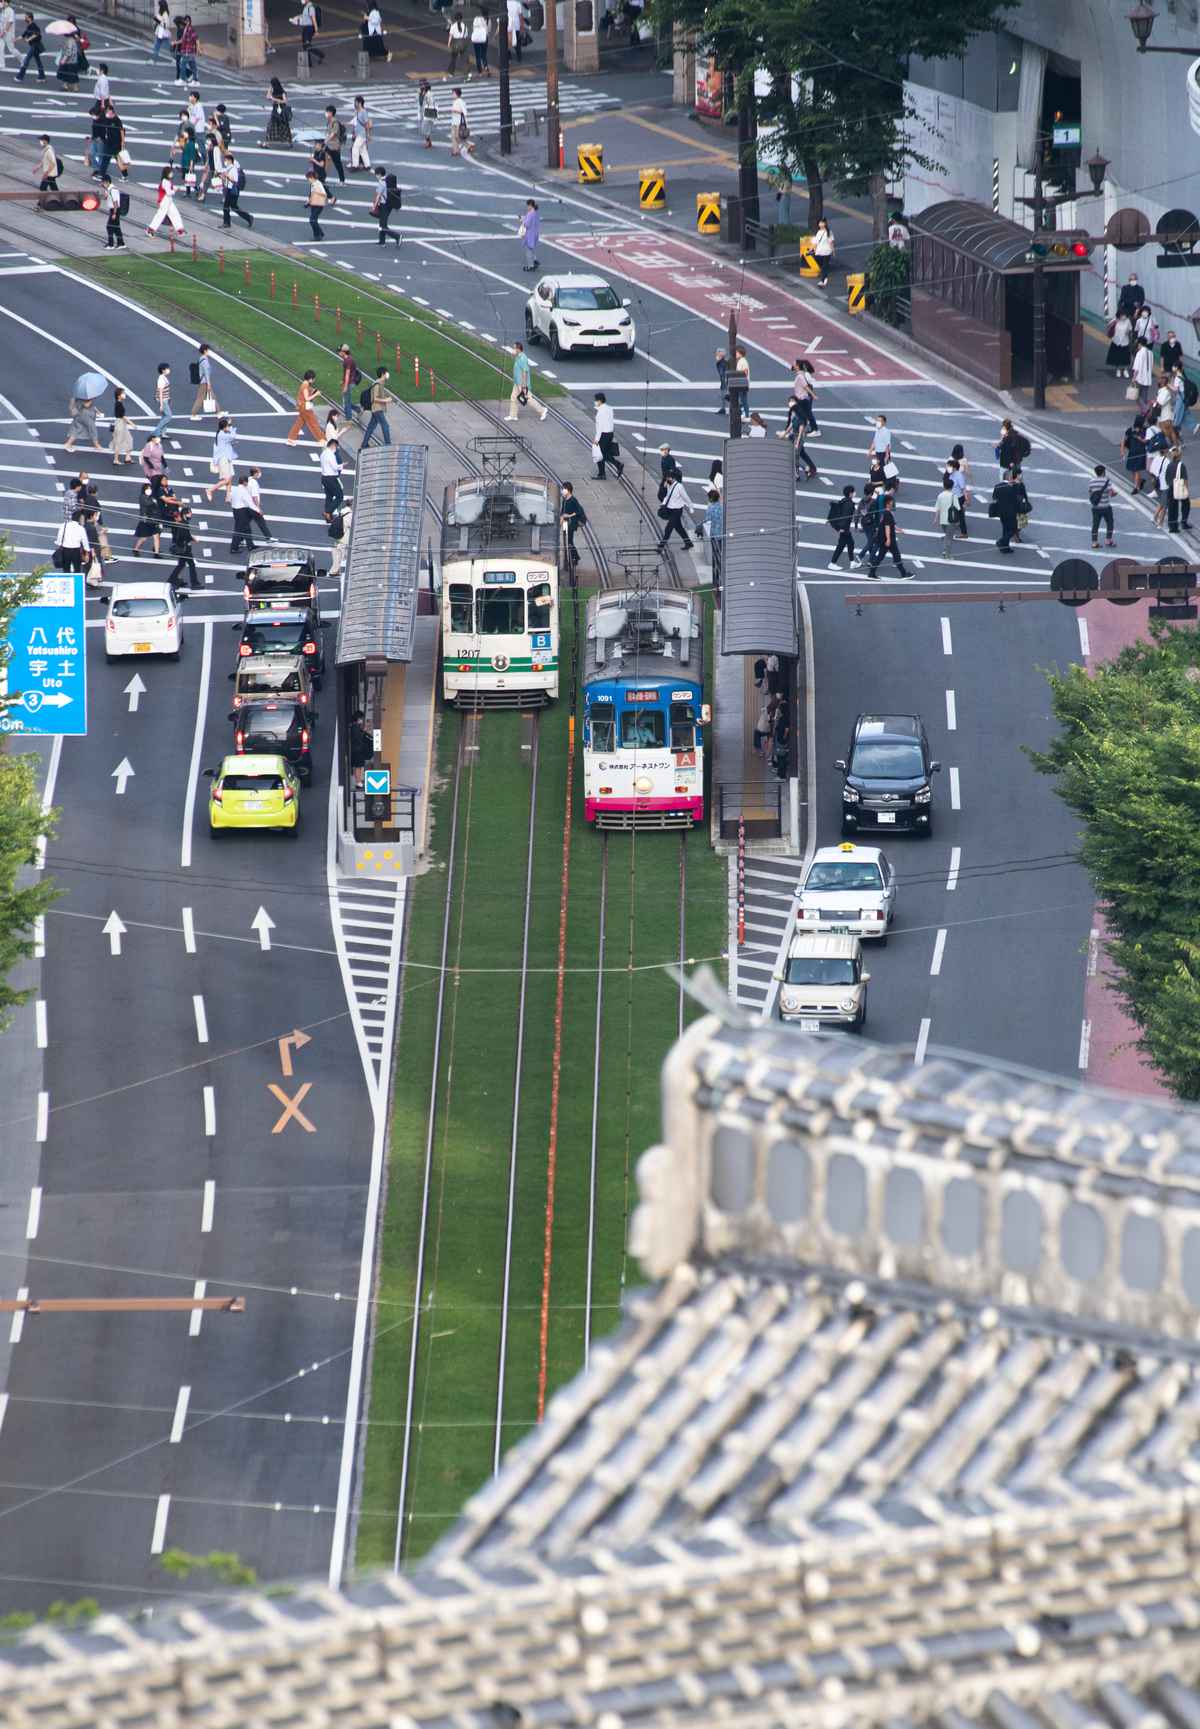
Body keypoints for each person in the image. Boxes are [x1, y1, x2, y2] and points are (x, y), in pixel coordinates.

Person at [868, 491, 910, 578]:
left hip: (884, 539)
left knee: (881, 556)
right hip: (889, 539)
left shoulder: (885, 513)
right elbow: (887, 527)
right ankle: (903, 573)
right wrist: (888, 539)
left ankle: (872, 573)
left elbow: (890, 524)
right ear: (887, 504)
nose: (893, 503)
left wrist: (898, 529)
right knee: (896, 555)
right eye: (891, 502)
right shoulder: (887, 514)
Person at [506, 340, 547, 421]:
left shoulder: (523, 358)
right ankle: (513, 415)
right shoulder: (518, 357)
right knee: (513, 397)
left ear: (518, 349)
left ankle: (542, 410)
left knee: (528, 399)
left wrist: (524, 386)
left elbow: (524, 372)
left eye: (514, 348)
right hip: (517, 383)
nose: (512, 350)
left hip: (522, 384)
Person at [657, 471, 694, 550]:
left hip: (677, 510)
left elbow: (685, 497)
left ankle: (662, 545)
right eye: (666, 478)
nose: (667, 479)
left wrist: (691, 507)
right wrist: (663, 503)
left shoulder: (679, 486)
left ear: (673, 478)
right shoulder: (668, 485)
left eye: (668, 478)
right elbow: (667, 496)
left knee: (669, 528)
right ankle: (688, 543)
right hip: (670, 509)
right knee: (678, 528)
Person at [827, 484, 859, 570]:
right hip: (844, 528)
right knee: (842, 545)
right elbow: (845, 517)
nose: (854, 493)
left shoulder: (844, 501)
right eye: (853, 492)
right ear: (850, 493)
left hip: (844, 528)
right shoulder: (849, 504)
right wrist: (841, 528)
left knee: (849, 543)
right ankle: (832, 563)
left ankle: (852, 562)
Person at [147, 165, 185, 238]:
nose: (172, 174)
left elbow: (170, 188)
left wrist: (174, 188)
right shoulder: (165, 182)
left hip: (168, 200)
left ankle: (180, 229)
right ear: (167, 174)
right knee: (160, 216)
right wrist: (175, 190)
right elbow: (169, 192)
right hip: (164, 200)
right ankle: (150, 230)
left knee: (175, 214)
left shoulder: (167, 181)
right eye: (171, 172)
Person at [205, 416, 238, 500]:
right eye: (227, 426)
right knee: (227, 479)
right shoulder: (222, 435)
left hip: (227, 458)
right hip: (223, 459)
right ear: (224, 427)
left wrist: (229, 424)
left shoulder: (221, 433)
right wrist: (231, 425)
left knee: (229, 477)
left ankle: (228, 496)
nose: (228, 427)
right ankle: (210, 490)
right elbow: (233, 436)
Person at [362, 366, 394, 448]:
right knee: (385, 425)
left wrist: (386, 398)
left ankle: (364, 444)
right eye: (386, 373)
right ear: (383, 374)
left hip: (376, 409)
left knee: (371, 426)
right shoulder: (377, 384)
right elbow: (375, 398)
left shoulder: (381, 383)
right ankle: (388, 444)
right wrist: (386, 400)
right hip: (377, 409)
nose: (388, 374)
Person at [288, 371, 323, 445]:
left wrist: (313, 391)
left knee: (299, 423)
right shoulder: (305, 386)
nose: (314, 380)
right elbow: (307, 398)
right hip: (305, 407)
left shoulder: (305, 383)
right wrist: (316, 394)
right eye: (313, 379)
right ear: (310, 379)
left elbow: (308, 390)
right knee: (313, 422)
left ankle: (291, 438)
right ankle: (321, 439)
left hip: (301, 406)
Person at [593, 393, 622, 479]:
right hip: (610, 433)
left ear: (599, 401)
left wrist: (596, 439)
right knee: (604, 453)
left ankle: (602, 473)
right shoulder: (609, 408)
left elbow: (600, 427)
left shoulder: (600, 413)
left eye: (596, 400)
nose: (595, 402)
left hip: (603, 435)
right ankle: (616, 466)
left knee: (599, 454)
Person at [990, 470, 1020, 553]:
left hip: (1001, 511)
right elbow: (1016, 499)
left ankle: (1005, 548)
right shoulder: (1012, 487)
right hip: (1011, 511)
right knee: (1014, 529)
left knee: (1005, 529)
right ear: (1009, 477)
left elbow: (994, 497)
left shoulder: (997, 486)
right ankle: (1002, 541)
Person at [220, 153, 252, 229]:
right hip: (229, 189)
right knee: (233, 206)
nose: (225, 162)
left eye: (226, 160)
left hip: (233, 190)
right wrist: (223, 178)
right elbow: (228, 180)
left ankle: (227, 223)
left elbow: (235, 180)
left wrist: (227, 176)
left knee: (227, 206)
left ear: (230, 160)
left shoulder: (233, 169)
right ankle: (248, 218)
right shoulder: (228, 169)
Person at [1088, 465, 1116, 550]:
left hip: (1096, 507)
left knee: (1095, 524)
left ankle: (1094, 542)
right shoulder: (1107, 481)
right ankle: (1108, 540)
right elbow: (1111, 494)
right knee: (1110, 522)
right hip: (1106, 506)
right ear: (1103, 472)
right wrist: (1115, 493)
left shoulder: (1091, 482)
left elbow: (1090, 494)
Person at [371, 168, 401, 245]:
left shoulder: (381, 183)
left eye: (376, 174)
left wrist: (374, 206)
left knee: (383, 225)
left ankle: (397, 236)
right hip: (389, 204)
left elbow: (378, 196)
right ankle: (382, 241)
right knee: (382, 223)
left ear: (379, 174)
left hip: (384, 205)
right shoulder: (388, 180)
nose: (376, 176)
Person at [131, 484, 163, 557]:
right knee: (143, 538)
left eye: (150, 489)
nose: (149, 490)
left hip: (154, 520)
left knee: (156, 536)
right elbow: (148, 503)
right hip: (146, 521)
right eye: (147, 489)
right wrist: (154, 501)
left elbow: (157, 507)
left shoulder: (152, 497)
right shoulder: (142, 497)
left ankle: (156, 553)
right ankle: (136, 549)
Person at [229, 472, 257, 554]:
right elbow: (249, 502)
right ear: (244, 482)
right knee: (239, 530)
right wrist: (258, 510)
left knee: (246, 528)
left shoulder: (234, 489)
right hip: (242, 511)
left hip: (235, 510)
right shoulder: (243, 491)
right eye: (247, 482)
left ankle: (250, 545)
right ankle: (233, 548)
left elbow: (229, 498)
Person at [560, 479, 585, 565]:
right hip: (566, 523)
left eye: (563, 489)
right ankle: (569, 557)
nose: (562, 491)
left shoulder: (573, 500)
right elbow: (562, 511)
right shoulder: (564, 500)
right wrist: (562, 518)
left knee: (569, 541)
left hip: (571, 523)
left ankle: (575, 557)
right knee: (565, 538)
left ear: (568, 490)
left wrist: (568, 516)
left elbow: (578, 512)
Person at [188, 343, 217, 418]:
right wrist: (209, 383)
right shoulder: (205, 361)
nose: (209, 352)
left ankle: (219, 412)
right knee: (200, 398)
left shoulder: (202, 358)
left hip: (203, 381)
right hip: (204, 382)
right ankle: (193, 414)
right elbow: (206, 373)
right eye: (208, 350)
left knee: (213, 396)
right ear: (205, 351)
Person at [1122, 415, 1149, 493]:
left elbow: (1146, 440)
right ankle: (1140, 481)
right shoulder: (1130, 430)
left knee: (1136, 470)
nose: (1144, 423)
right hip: (1132, 452)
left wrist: (1138, 438)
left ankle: (1136, 487)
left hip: (1141, 453)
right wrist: (1122, 452)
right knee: (1132, 470)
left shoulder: (1145, 430)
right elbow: (1124, 440)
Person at [1166, 450, 1192, 533]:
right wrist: (1187, 490)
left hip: (1170, 487)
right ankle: (1184, 522)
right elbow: (1185, 479)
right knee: (1186, 504)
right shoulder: (1181, 465)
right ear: (1179, 456)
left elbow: (1166, 477)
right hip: (1179, 487)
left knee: (1172, 508)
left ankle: (1172, 526)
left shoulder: (1169, 465)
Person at [933, 478, 958, 560]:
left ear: (944, 486)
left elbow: (938, 508)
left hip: (942, 520)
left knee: (947, 536)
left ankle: (945, 552)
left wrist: (936, 519)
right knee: (949, 538)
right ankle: (947, 554)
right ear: (952, 486)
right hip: (951, 520)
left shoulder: (940, 495)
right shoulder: (954, 496)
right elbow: (957, 508)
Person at [245, 466, 272, 541]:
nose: (260, 473)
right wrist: (258, 508)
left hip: (248, 505)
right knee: (261, 522)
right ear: (255, 473)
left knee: (244, 524)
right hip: (253, 506)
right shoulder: (253, 482)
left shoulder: (248, 480)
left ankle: (239, 540)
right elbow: (254, 496)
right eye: (259, 472)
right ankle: (269, 538)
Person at [320, 436, 344, 517]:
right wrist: (341, 466)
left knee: (329, 496)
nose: (336, 449)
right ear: (333, 445)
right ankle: (328, 511)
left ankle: (328, 516)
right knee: (339, 496)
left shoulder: (323, 453)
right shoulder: (331, 455)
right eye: (336, 447)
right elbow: (335, 467)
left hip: (324, 478)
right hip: (331, 478)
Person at [304, 168, 331, 240]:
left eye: (308, 178)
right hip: (314, 204)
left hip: (319, 204)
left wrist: (316, 192)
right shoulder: (313, 184)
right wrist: (308, 203)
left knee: (312, 220)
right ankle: (319, 233)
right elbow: (311, 195)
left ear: (312, 178)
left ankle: (318, 235)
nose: (308, 180)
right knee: (313, 220)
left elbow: (324, 194)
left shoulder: (317, 184)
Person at [704, 487, 724, 584]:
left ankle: (716, 581)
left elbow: (707, 519)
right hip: (722, 535)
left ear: (711, 499)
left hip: (714, 535)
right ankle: (721, 579)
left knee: (715, 557)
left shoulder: (711, 508)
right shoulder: (722, 507)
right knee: (721, 556)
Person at [323, 105, 347, 183]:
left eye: (327, 112)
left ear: (331, 113)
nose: (325, 113)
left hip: (334, 146)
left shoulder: (335, 122)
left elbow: (333, 134)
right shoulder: (329, 121)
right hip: (328, 145)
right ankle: (322, 178)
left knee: (337, 163)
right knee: (325, 161)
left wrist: (326, 140)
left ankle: (342, 180)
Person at [265, 77, 292, 146]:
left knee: (284, 125)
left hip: (281, 110)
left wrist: (274, 99)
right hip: (275, 110)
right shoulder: (273, 91)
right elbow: (267, 97)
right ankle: (268, 143)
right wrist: (270, 89)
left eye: (272, 84)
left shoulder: (282, 92)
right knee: (271, 125)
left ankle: (289, 141)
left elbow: (285, 101)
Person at [109, 386, 133, 464]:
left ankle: (127, 458)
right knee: (118, 442)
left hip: (121, 423)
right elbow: (123, 416)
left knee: (129, 439)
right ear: (119, 396)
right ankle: (116, 460)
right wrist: (131, 423)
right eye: (123, 393)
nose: (124, 394)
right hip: (120, 424)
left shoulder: (119, 403)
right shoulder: (118, 404)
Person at [16, 11, 43, 78]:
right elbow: (23, 35)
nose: (24, 18)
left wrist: (29, 39)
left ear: (30, 18)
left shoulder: (33, 25)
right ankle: (42, 76)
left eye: (26, 17)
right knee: (38, 61)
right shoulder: (29, 26)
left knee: (26, 60)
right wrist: (15, 39)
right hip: (34, 45)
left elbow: (37, 34)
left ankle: (20, 77)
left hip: (35, 45)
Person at [337, 345, 361, 418]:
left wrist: (345, 386)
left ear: (344, 352)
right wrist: (342, 380)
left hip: (350, 382)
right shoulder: (347, 359)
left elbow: (347, 374)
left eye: (339, 351)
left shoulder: (348, 361)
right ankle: (358, 409)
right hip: (349, 381)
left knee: (346, 402)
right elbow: (346, 373)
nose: (338, 353)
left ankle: (348, 419)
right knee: (347, 400)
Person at [1107, 311, 1132, 379]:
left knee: (1125, 357)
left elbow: (1130, 329)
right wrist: (1115, 321)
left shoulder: (1128, 321)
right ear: (1119, 315)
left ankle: (1125, 370)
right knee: (1116, 357)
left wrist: (1128, 332)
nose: (1124, 317)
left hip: (1125, 342)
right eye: (1122, 315)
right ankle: (1118, 370)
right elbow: (1108, 324)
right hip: (1116, 341)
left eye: (1125, 315)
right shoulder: (1115, 320)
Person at [349, 711, 372, 785]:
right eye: (361, 718)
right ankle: (358, 781)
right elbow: (358, 737)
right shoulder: (355, 727)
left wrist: (364, 730)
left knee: (359, 766)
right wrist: (364, 731)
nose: (362, 720)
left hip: (357, 750)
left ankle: (359, 781)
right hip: (357, 750)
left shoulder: (355, 726)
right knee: (358, 766)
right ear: (358, 718)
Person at [1132, 337, 1155, 410]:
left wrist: (1134, 377)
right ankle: (1144, 411)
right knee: (1144, 396)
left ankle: (1146, 409)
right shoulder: (1150, 352)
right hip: (1148, 378)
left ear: (1139, 343)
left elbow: (1137, 368)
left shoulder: (1139, 353)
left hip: (1140, 378)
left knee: (1136, 395)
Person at [450, 87, 473, 157]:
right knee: (454, 137)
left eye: (453, 94)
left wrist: (455, 111)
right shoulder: (455, 101)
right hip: (454, 122)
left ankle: (467, 146)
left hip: (459, 123)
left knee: (457, 137)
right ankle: (456, 151)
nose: (452, 95)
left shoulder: (461, 101)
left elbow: (465, 112)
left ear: (457, 94)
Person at [350, 95, 372, 170]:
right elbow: (355, 122)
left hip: (362, 134)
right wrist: (353, 132)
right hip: (358, 133)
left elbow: (366, 124)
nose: (354, 103)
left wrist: (368, 134)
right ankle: (367, 165)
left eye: (355, 102)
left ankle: (355, 165)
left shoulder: (363, 112)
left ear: (359, 103)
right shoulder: (357, 112)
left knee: (355, 148)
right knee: (363, 149)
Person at [812, 216, 835, 287]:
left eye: (822, 223)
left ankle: (822, 281)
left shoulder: (829, 232)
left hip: (827, 252)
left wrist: (833, 251)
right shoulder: (819, 232)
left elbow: (831, 242)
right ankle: (825, 278)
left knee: (824, 266)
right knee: (823, 266)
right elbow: (815, 243)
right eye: (819, 223)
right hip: (819, 252)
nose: (820, 224)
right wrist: (814, 250)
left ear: (825, 223)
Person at [518, 198, 540, 272]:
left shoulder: (530, 213)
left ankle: (530, 266)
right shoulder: (535, 213)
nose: (527, 207)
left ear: (530, 205)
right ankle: (535, 260)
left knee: (528, 250)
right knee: (532, 248)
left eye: (528, 205)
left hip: (530, 234)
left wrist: (522, 221)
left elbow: (527, 224)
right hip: (535, 233)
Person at [150, 362, 172, 436]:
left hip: (165, 399)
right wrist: (161, 405)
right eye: (167, 369)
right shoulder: (161, 379)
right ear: (163, 370)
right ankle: (156, 431)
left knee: (164, 416)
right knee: (168, 416)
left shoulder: (163, 377)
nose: (169, 370)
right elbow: (160, 392)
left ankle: (163, 433)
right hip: (163, 400)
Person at [469, 7, 490, 76]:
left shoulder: (476, 18)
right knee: (484, 55)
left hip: (477, 39)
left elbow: (473, 27)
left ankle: (480, 71)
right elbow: (489, 30)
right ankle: (486, 68)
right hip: (485, 39)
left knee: (477, 55)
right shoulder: (488, 20)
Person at [418, 79, 436, 149]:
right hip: (423, 112)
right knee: (425, 129)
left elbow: (431, 103)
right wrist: (420, 94)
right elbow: (420, 102)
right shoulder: (422, 93)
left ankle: (428, 142)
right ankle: (428, 142)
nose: (421, 87)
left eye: (422, 86)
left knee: (424, 128)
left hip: (428, 113)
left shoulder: (429, 94)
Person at [714, 347, 728, 415]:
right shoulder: (721, 362)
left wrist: (725, 383)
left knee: (724, 396)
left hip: (725, 382)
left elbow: (724, 374)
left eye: (718, 354)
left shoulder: (722, 363)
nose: (716, 356)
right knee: (723, 396)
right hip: (724, 382)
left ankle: (736, 407)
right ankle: (723, 408)